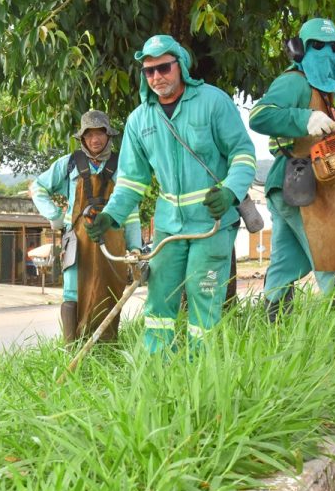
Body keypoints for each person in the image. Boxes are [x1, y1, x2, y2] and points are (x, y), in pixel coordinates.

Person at [85, 35, 256, 354]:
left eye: (163, 67)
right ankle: (157, 369)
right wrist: (112, 215)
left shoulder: (213, 102)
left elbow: (243, 154)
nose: (156, 77)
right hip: (168, 227)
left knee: (202, 296)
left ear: (181, 66)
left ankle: (202, 373)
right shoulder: (139, 120)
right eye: (149, 71)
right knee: (159, 299)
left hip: (212, 222)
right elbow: (131, 181)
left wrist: (231, 191)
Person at [249, 18, 335, 322]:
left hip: (296, 189)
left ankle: (273, 330)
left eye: (334, 47)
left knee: (283, 265)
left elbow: (327, 136)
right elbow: (259, 115)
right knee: (334, 255)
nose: (327, 52)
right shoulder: (295, 81)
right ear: (300, 50)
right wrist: (304, 118)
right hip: (301, 186)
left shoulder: (323, 92)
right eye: (317, 46)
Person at [31, 110, 142, 344]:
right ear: (82, 138)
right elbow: (38, 188)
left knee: (111, 290)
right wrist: (55, 216)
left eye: (100, 133)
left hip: (112, 239)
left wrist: (135, 248)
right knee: (72, 292)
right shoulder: (69, 163)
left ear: (108, 135)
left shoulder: (122, 165)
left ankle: (107, 347)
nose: (95, 139)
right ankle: (72, 347)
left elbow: (131, 210)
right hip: (77, 240)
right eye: (89, 134)